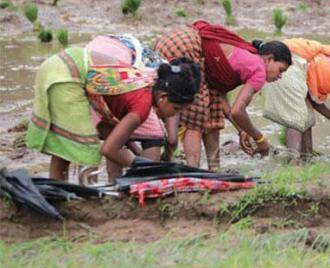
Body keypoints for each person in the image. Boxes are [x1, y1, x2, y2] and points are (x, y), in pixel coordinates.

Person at [25, 34, 200, 182]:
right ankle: (67, 197)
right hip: (68, 74)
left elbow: (111, 131)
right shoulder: (142, 105)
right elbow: (108, 149)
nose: (175, 115)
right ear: (163, 97)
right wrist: (141, 165)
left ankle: (61, 192)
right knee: (82, 146)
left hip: (62, 62)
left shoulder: (141, 84)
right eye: (176, 109)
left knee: (67, 144)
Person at [154, 21, 291, 169]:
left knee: (213, 108)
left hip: (173, 39)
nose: (280, 76)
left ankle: (214, 168)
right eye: (281, 70)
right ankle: (193, 171)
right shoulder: (259, 70)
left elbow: (221, 100)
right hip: (187, 46)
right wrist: (260, 138)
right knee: (196, 115)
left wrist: (242, 130)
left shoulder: (246, 56)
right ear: (269, 59)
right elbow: (237, 111)